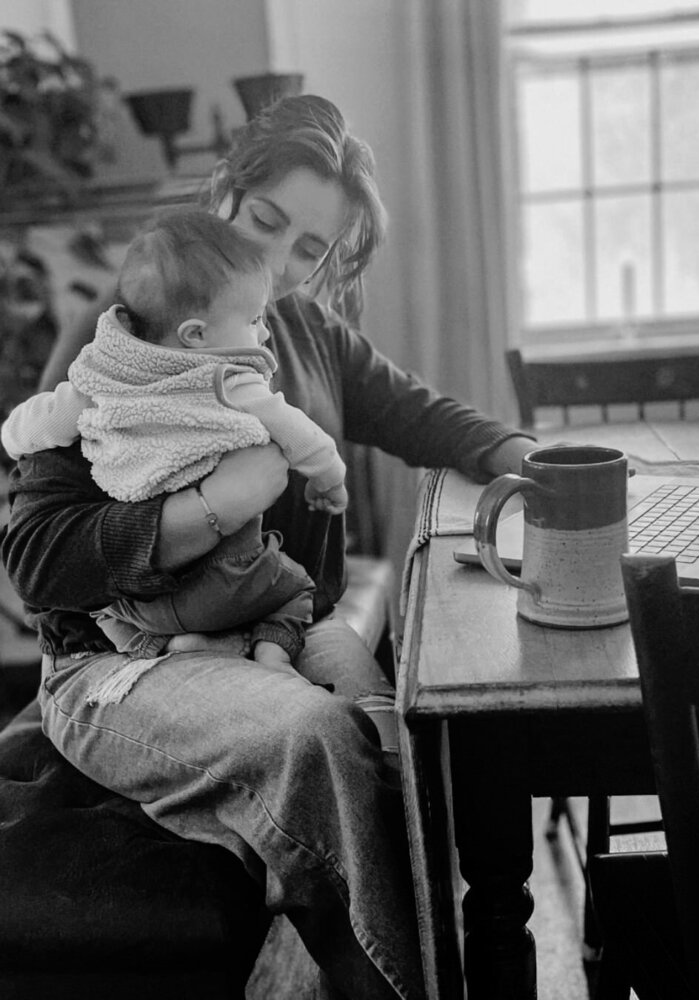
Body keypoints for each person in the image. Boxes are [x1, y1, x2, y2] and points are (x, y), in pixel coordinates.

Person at [1, 94, 536, 1000]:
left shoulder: (305, 330)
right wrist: (208, 510)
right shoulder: (124, 333)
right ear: (223, 192)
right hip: (120, 664)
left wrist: (525, 456)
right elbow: (40, 562)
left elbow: (420, 414)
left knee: (414, 727)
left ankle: (446, 961)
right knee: (318, 737)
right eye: (265, 222)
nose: (278, 263)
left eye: (310, 250)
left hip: (277, 623)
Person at [2, 209, 347, 679]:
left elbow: (30, 426)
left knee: (107, 612)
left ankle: (165, 644)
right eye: (253, 319)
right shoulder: (230, 380)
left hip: (147, 602)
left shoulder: (98, 379)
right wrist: (329, 479)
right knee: (296, 592)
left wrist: (12, 438)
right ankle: (273, 653)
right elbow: (305, 438)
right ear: (196, 335)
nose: (263, 332)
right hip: (232, 574)